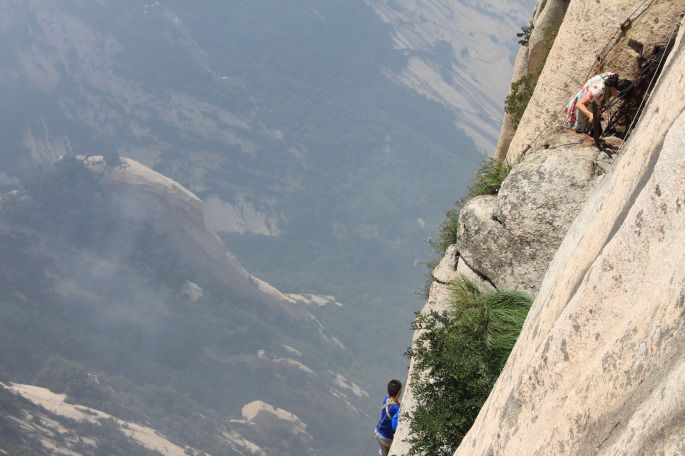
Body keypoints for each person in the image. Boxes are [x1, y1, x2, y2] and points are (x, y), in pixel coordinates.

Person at [565, 72, 632, 133]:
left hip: (590, 104)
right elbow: (578, 104)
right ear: (618, 92)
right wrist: (590, 115)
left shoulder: (612, 78)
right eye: (620, 98)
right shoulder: (597, 92)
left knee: (597, 130)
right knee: (580, 132)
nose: (619, 99)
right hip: (580, 108)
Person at [374, 379, 402, 456]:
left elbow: (393, 403)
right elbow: (394, 426)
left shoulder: (385, 400)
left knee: (383, 450)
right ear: (399, 393)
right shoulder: (396, 409)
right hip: (386, 438)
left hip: (378, 431)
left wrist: (398, 403)